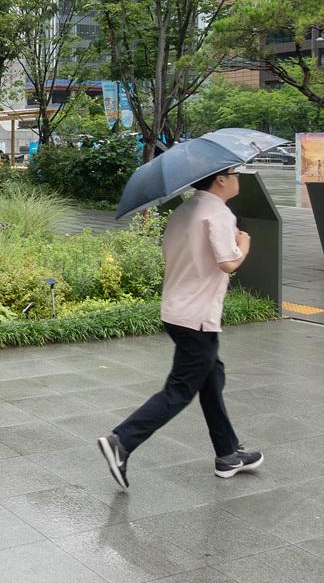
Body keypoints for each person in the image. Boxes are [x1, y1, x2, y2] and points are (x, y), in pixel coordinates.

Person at [97, 167, 263, 490]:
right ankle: (122, 441)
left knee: (211, 377)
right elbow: (228, 262)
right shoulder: (218, 214)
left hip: (176, 312)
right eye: (234, 173)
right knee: (180, 390)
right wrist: (244, 244)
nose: (238, 179)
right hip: (198, 317)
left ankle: (227, 454)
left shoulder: (183, 210)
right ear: (220, 180)